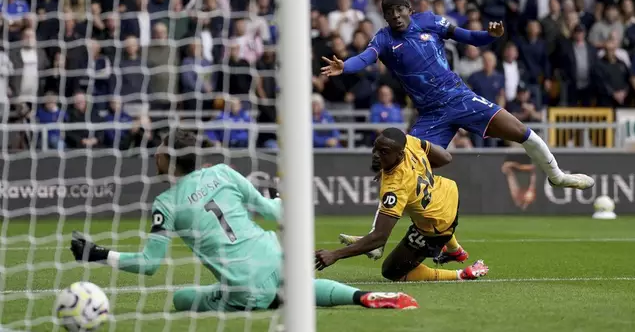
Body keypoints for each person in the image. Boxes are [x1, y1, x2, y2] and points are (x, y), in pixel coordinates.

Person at [69, 129, 418, 311]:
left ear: (167, 159)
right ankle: (360, 296)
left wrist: (98, 254)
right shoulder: (223, 172)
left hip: (243, 288)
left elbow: (149, 265)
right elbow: (275, 213)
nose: (155, 154)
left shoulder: (166, 203)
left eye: (159, 150)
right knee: (294, 289)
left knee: (182, 299)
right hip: (278, 260)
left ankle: (268, 296)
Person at [321, 0, 594, 191]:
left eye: (399, 10)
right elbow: (366, 58)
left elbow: (470, 37)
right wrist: (345, 66)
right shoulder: (383, 38)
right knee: (399, 168)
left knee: (523, 133)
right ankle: (376, 236)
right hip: (430, 113)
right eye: (389, 13)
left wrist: (491, 36)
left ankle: (557, 176)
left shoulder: (428, 21)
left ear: (409, 10)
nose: (395, 16)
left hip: (460, 97)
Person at [315, 128, 488, 283]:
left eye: (384, 152)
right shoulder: (410, 141)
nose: (376, 154)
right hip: (448, 191)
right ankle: (455, 250)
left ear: (398, 155)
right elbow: (446, 157)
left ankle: (462, 274)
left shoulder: (395, 187)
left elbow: (379, 237)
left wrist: (334, 255)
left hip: (437, 224)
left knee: (392, 271)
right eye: (376, 147)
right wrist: (419, 168)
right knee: (420, 212)